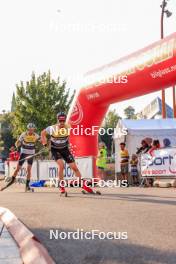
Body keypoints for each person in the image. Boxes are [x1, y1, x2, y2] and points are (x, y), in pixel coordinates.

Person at [41, 112, 100, 195]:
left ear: (65, 120)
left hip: (65, 149)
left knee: (74, 168)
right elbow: (42, 133)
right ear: (57, 120)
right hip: (55, 150)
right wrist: (45, 143)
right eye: (60, 120)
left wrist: (67, 143)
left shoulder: (68, 127)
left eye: (63, 121)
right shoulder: (52, 128)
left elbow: (68, 137)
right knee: (61, 166)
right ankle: (61, 187)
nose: (61, 122)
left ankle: (83, 185)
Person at [2, 123, 40, 191]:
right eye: (30, 130)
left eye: (32, 130)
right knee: (18, 168)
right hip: (24, 153)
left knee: (29, 169)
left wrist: (45, 144)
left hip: (31, 153)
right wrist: (17, 144)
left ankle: (27, 186)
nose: (31, 131)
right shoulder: (24, 134)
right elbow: (18, 142)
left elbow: (41, 140)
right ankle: (12, 180)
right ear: (28, 129)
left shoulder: (36, 135)